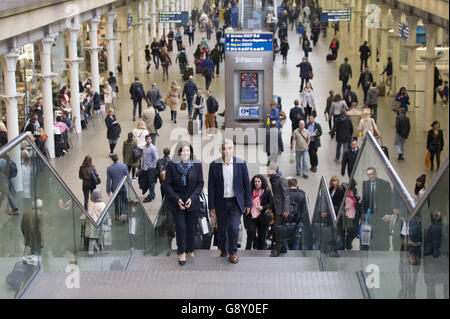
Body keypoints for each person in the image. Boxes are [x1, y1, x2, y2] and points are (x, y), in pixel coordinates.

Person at [208, 139, 252, 264]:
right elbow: (211, 187)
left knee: (233, 227)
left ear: (233, 149)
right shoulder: (214, 165)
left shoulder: (241, 163)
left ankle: (233, 252)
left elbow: (247, 185)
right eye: (223, 148)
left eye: (229, 148)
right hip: (220, 203)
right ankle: (224, 249)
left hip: (235, 203)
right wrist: (211, 207)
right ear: (220, 150)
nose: (226, 151)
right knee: (221, 229)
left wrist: (248, 203)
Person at [164, 141, 204, 265]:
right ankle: (182, 252)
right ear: (179, 152)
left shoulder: (197, 165)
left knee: (191, 227)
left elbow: (200, 183)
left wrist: (192, 198)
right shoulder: (172, 165)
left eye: (188, 150)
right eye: (183, 151)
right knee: (181, 227)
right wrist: (177, 199)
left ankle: (190, 249)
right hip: (178, 202)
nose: (185, 153)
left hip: (192, 200)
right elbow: (167, 185)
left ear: (190, 152)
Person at [362, 167, 392, 251]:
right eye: (369, 174)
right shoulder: (365, 184)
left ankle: (383, 251)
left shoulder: (385, 184)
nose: (371, 176)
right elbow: (365, 200)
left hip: (382, 214)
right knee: (373, 235)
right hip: (371, 214)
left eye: (372, 173)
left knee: (382, 235)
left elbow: (389, 199)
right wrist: (364, 214)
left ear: (376, 173)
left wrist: (388, 214)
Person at [267, 163, 290, 257]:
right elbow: (275, 195)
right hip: (277, 208)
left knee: (278, 229)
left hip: (281, 209)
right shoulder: (273, 179)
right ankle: (283, 247)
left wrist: (285, 210)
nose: (267, 171)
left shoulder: (281, 179)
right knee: (279, 228)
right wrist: (270, 207)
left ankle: (277, 250)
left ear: (273, 170)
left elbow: (286, 195)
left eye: (268, 169)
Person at [286, 178, 309, 250]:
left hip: (286, 220)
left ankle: (287, 253)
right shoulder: (302, 194)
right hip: (298, 220)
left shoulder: (285, 194)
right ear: (296, 185)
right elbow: (304, 209)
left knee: (285, 238)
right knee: (296, 239)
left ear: (288, 185)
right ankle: (295, 254)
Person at [106, 154, 131, 220]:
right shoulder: (124, 166)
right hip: (122, 187)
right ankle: (124, 213)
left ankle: (117, 214)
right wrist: (130, 185)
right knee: (125, 201)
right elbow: (128, 178)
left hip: (114, 188)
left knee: (116, 202)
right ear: (118, 158)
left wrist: (108, 190)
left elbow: (108, 180)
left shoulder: (109, 168)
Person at [83, 189, 107, 255]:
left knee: (92, 238)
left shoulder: (90, 204)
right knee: (101, 237)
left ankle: (91, 252)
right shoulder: (102, 205)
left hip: (90, 224)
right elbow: (104, 216)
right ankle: (101, 249)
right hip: (98, 225)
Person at [343, 180, 362, 250]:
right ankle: (347, 243)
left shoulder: (354, 191)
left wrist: (358, 199)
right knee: (352, 231)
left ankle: (347, 243)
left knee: (354, 231)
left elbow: (356, 202)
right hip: (348, 215)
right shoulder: (345, 191)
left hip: (354, 215)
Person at [141, 135, 158, 203]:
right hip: (145, 168)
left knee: (151, 182)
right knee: (148, 181)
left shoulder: (153, 148)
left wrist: (151, 166)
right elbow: (143, 157)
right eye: (147, 139)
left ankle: (151, 196)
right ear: (145, 140)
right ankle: (152, 194)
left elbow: (156, 158)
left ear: (151, 140)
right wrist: (142, 166)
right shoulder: (144, 147)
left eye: (149, 139)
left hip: (151, 169)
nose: (148, 140)